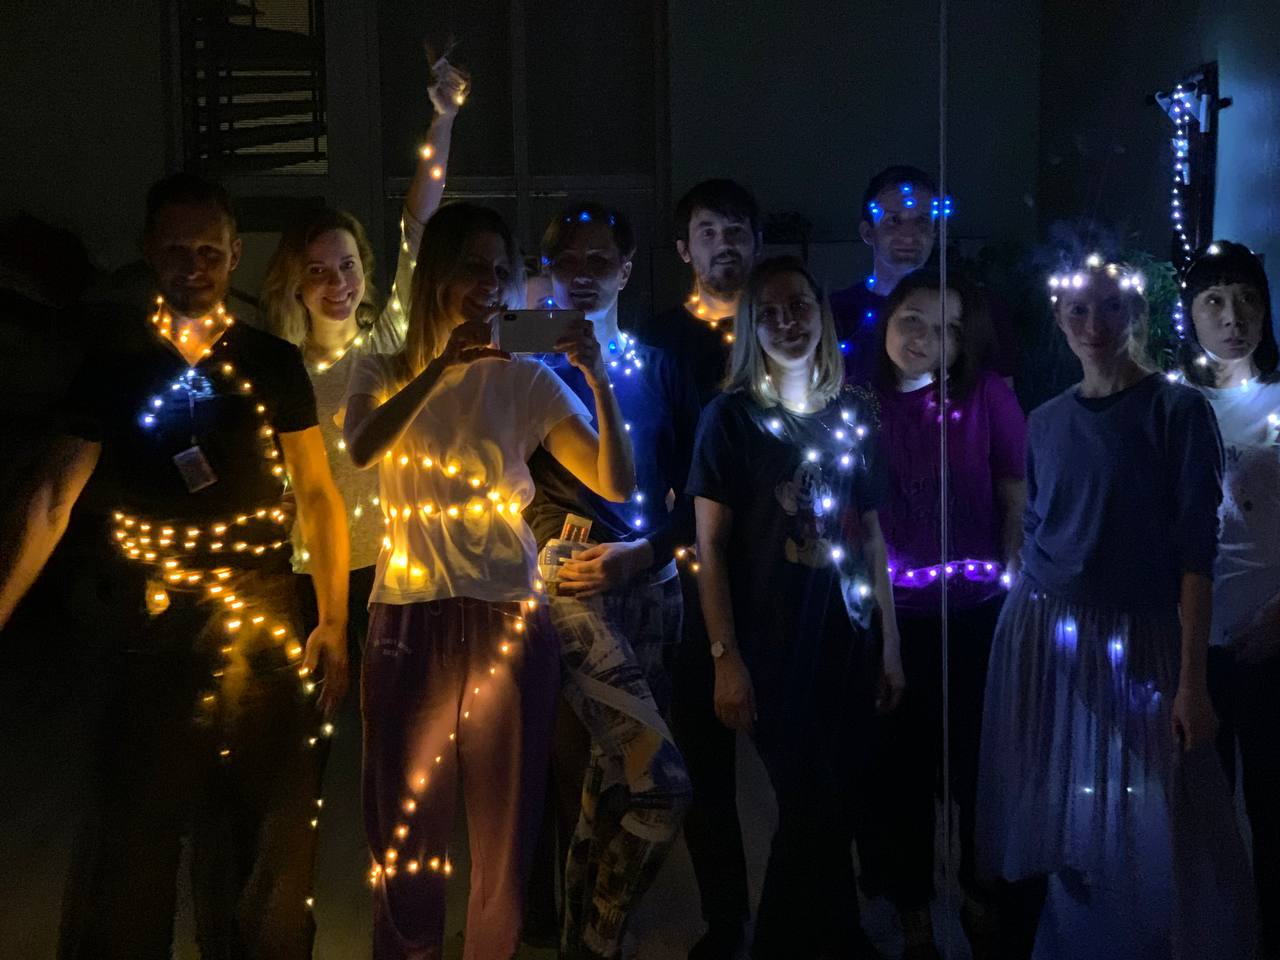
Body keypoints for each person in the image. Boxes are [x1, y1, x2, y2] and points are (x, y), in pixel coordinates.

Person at [0, 172, 351, 959]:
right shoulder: (115, 367)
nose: (194, 267)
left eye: (209, 252)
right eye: (176, 251)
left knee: (266, 829)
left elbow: (318, 495)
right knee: (136, 824)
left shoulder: (271, 362)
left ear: (234, 253)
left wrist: (332, 620)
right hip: (149, 619)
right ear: (148, 253)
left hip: (262, 614)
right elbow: (52, 496)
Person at [342, 201, 635, 960]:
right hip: (409, 616)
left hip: (509, 616)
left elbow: (615, 480)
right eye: (473, 266)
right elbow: (364, 447)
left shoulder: (525, 379)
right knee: (404, 837)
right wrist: (441, 365)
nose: (489, 285)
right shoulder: (382, 367)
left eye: (502, 272)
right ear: (436, 272)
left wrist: (598, 381)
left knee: (504, 846)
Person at [976, 257, 1251, 959]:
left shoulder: (1176, 411)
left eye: (1109, 307)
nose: (1093, 324)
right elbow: (1038, 526)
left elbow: (1197, 553)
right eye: (1078, 310)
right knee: (1070, 797)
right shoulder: (1046, 420)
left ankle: (1170, 937)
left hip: (1142, 635)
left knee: (1169, 801)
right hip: (1049, 630)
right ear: (1059, 318)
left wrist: (1192, 682)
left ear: (1134, 314)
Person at [689, 255, 905, 960]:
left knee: (832, 801)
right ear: (752, 326)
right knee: (808, 801)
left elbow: (872, 536)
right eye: (772, 312)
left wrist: (890, 645)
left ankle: (838, 938)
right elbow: (710, 545)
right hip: (772, 647)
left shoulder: (851, 413)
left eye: (800, 306)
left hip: (848, 641)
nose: (788, 322)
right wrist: (725, 656)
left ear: (821, 313)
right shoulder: (731, 418)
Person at [524, 200, 698, 959]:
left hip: (652, 580)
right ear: (547, 272)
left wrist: (649, 553)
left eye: (600, 261)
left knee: (612, 782)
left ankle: (584, 941)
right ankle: (597, 940)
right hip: (570, 575)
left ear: (627, 271)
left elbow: (697, 492)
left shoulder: (659, 368)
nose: (583, 275)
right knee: (658, 783)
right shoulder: (531, 370)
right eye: (567, 261)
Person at [261, 56, 468, 647]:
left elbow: (419, 227)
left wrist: (443, 121)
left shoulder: (388, 343)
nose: (338, 284)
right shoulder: (280, 368)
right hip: (312, 574)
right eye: (318, 270)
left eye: (347, 266)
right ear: (295, 282)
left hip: (397, 569)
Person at [860, 269, 1026, 959]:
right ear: (888, 321)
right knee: (901, 772)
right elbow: (859, 525)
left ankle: (982, 894)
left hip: (979, 615)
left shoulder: (986, 396)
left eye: (948, 328)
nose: (927, 338)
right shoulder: (860, 405)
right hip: (895, 617)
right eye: (914, 320)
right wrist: (886, 639)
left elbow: (1015, 498)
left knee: (979, 768)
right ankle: (914, 910)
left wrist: (1013, 603)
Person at [633, 178, 762, 959]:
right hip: (688, 570)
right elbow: (650, 456)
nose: (725, 244)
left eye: (737, 230)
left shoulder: (781, 326)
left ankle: (803, 915)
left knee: (798, 756)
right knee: (705, 765)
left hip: (780, 567)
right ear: (685, 248)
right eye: (709, 231)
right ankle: (727, 919)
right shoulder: (658, 339)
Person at [1178, 240, 1280, 960]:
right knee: (1200, 817)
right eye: (1213, 300)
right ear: (1189, 314)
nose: (1232, 316)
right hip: (1194, 646)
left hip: (1271, 639)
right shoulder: (1176, 405)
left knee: (1274, 813)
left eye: (1246, 299)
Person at [830, 166, 942, 384]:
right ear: (867, 232)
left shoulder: (958, 311)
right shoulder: (836, 313)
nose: (909, 236)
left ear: (935, 231)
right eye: (894, 220)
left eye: (922, 220)